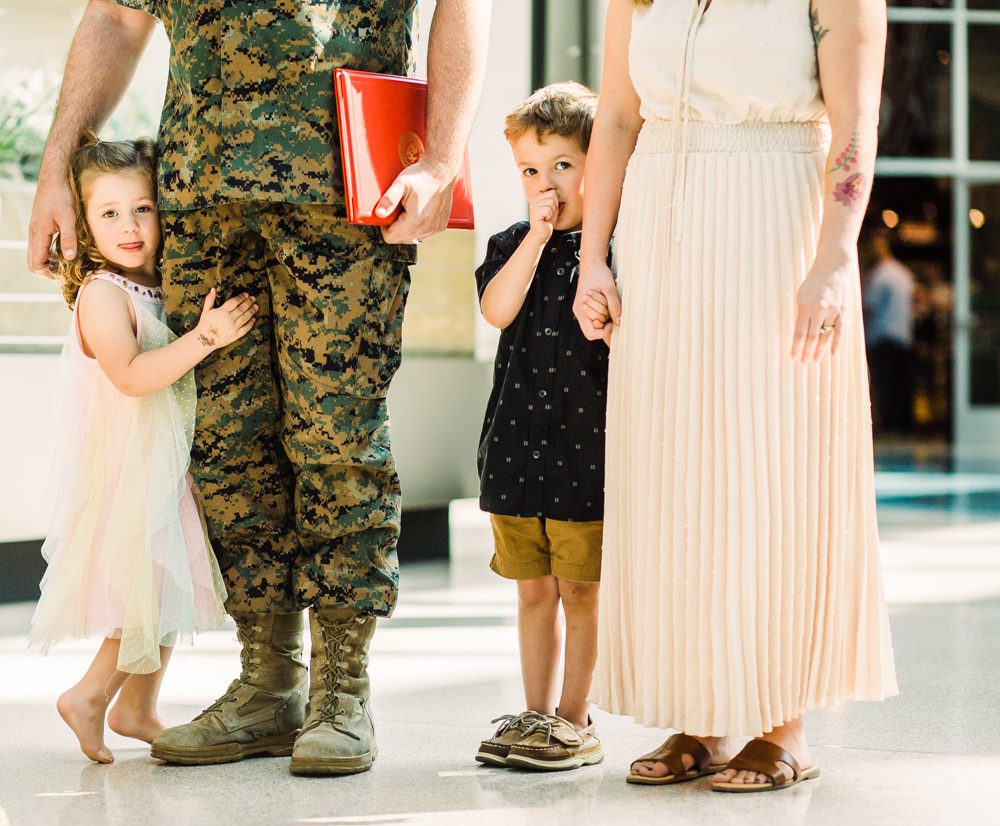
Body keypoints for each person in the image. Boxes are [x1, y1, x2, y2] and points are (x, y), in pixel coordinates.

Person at [28, 0, 489, 776]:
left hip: (345, 191)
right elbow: (113, 15)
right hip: (201, 202)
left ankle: (342, 689)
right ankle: (268, 682)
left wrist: (441, 157)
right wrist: (55, 170)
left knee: (337, 437)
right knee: (227, 444)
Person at [573, 0, 897, 792]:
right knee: (678, 477)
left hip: (773, 223)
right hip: (661, 233)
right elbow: (616, 117)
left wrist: (831, 260)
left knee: (768, 467)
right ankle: (702, 711)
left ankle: (783, 722)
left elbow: (855, 125)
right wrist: (593, 259)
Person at [27, 133, 257, 765]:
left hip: (165, 462)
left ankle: (137, 707)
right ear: (82, 226)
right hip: (128, 468)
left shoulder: (155, 285)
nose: (129, 226)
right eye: (109, 214)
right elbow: (130, 376)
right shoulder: (102, 292)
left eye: (143, 209)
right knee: (143, 593)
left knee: (167, 585)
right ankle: (89, 694)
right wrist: (206, 337)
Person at [473, 83, 609, 772]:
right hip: (517, 452)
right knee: (533, 590)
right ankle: (534, 713)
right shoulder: (509, 244)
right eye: (531, 170)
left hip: (589, 456)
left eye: (562, 165)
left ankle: (575, 719)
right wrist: (536, 235)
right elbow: (497, 310)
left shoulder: (613, 252)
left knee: (581, 589)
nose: (545, 183)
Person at [862, 228, 916, 434]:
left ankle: (891, 428)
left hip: (882, 337)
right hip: (903, 336)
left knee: (886, 388)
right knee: (901, 387)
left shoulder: (879, 276)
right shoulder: (903, 273)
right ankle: (904, 428)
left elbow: (869, 307)